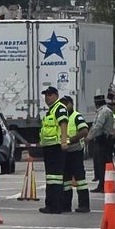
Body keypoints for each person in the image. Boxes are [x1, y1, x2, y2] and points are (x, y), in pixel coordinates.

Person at [38, 86, 69, 214]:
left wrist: (63, 141)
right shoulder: (50, 111)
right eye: (46, 95)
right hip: (49, 147)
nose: (47, 97)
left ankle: (54, 206)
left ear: (56, 95)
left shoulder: (59, 108)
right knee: (51, 178)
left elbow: (63, 123)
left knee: (54, 178)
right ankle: (52, 205)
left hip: (56, 147)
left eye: (49, 95)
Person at [59, 96, 90, 213]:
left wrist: (71, 140)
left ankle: (84, 205)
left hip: (75, 151)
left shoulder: (76, 116)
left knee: (80, 179)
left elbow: (84, 131)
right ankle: (66, 205)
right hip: (65, 152)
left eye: (66, 104)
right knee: (66, 181)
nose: (65, 107)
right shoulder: (62, 117)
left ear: (71, 104)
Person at [87, 93, 115, 193]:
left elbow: (98, 126)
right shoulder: (105, 111)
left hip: (103, 140)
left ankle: (103, 185)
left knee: (102, 164)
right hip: (105, 140)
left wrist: (89, 137)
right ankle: (103, 185)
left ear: (97, 103)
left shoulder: (103, 112)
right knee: (103, 164)